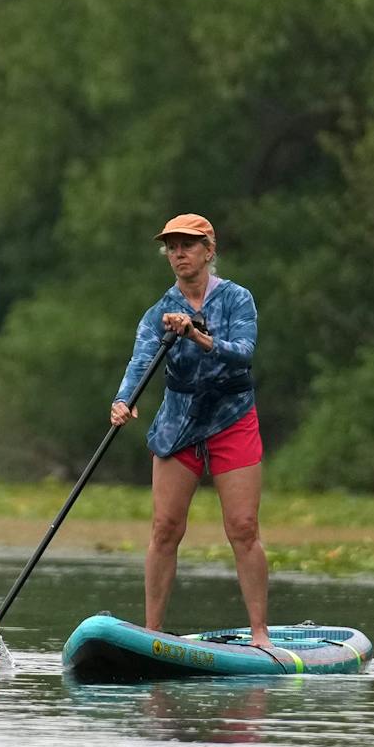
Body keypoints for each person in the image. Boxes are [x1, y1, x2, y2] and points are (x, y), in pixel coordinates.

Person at [108, 213, 269, 648]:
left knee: (243, 525)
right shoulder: (159, 313)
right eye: (172, 246)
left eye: (188, 245)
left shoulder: (237, 299)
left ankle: (259, 634)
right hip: (179, 424)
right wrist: (124, 400)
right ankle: (153, 634)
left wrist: (198, 335)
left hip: (232, 418)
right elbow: (140, 361)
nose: (179, 253)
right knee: (164, 528)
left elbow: (243, 352)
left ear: (209, 250)